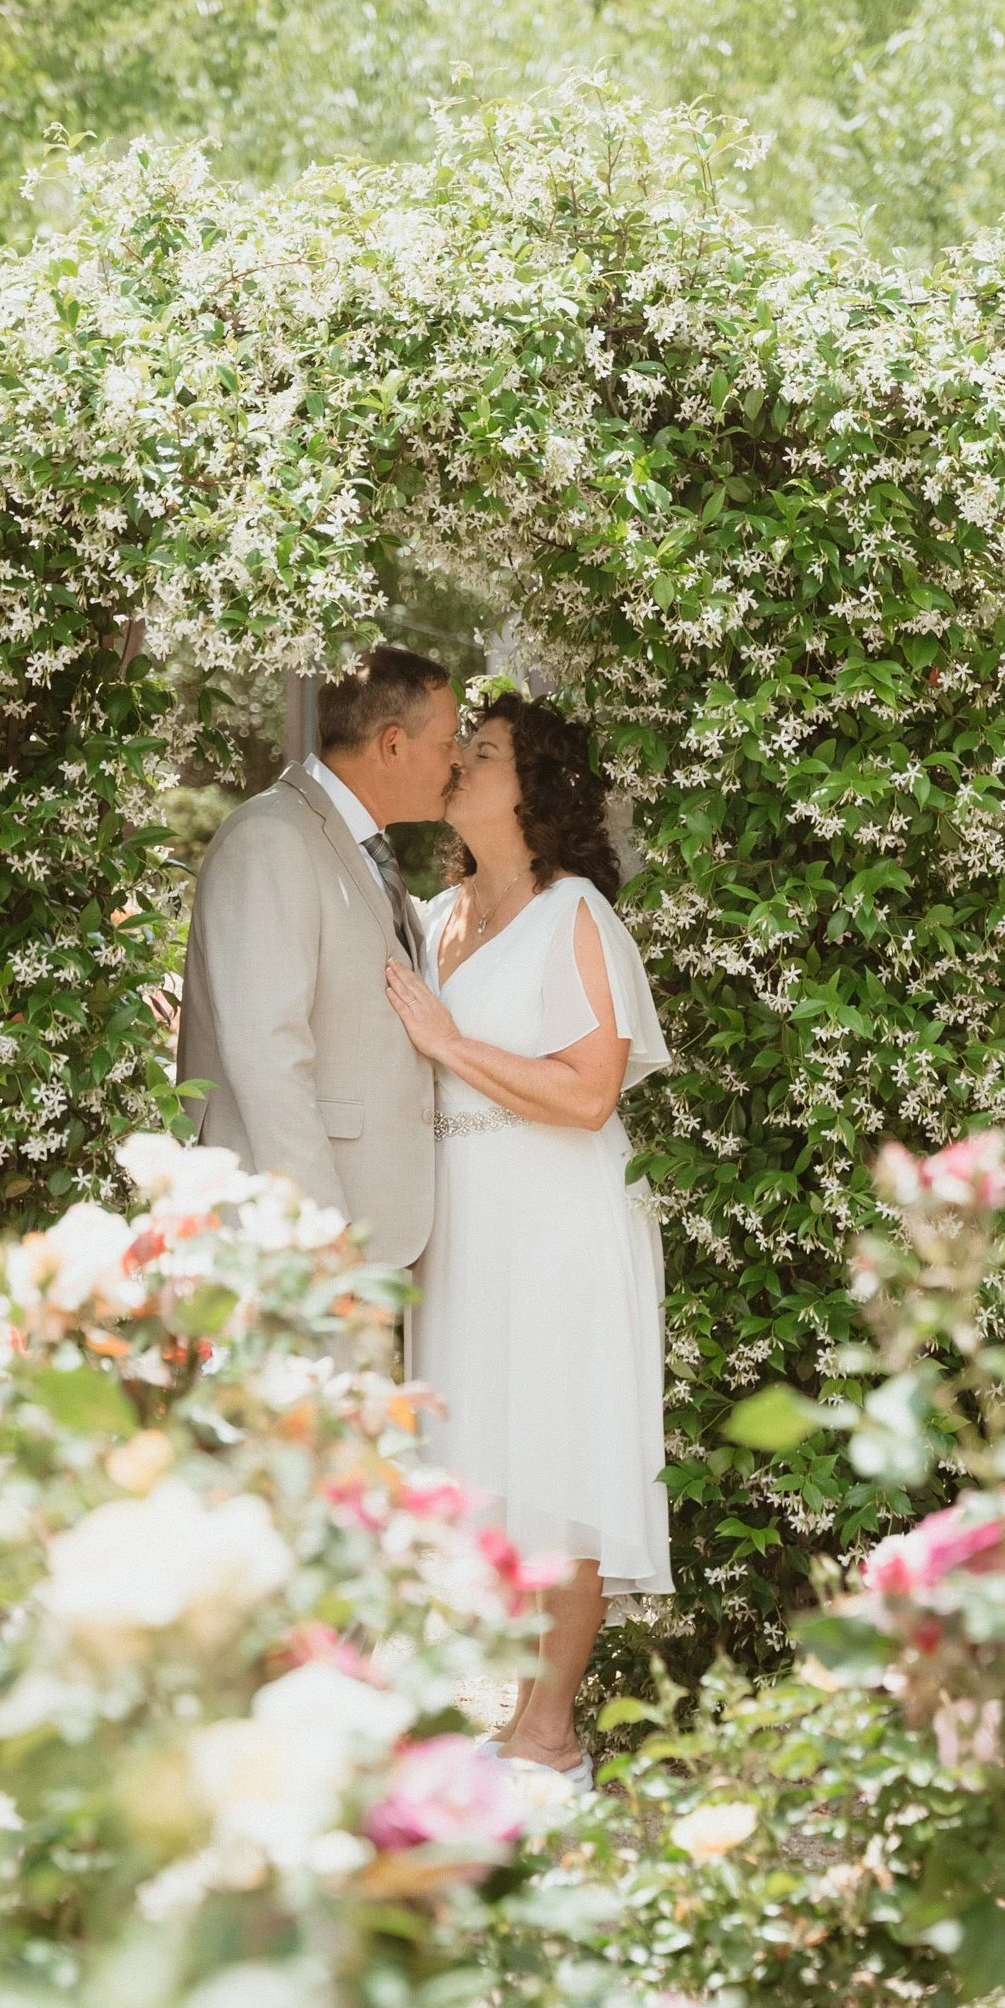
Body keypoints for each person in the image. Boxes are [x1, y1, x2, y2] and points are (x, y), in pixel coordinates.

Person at [384, 695, 673, 1783]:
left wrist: (450, 1045)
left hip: (557, 1217)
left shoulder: (575, 914)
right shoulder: (435, 912)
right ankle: (508, 1705)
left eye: (486, 750)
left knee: (561, 1454)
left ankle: (548, 1730)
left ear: (534, 785)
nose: (458, 760)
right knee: (486, 1453)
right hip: (467, 1216)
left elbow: (590, 1092)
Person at [177, 645, 462, 1306]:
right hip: (286, 1245)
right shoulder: (270, 838)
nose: (456, 760)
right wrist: (322, 1238)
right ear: (392, 744)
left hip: (357, 1237)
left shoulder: (362, 844)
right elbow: (265, 1055)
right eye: (447, 741)